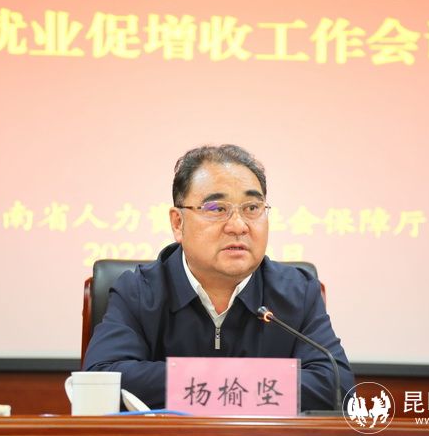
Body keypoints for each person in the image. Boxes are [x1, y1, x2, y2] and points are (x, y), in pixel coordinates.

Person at [83, 144, 354, 411]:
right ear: (178, 223)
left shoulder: (297, 292)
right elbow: (101, 378)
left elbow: (335, 385)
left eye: (252, 208)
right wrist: (243, 384)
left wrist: (203, 383)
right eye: (216, 208)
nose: (238, 226)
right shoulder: (138, 291)